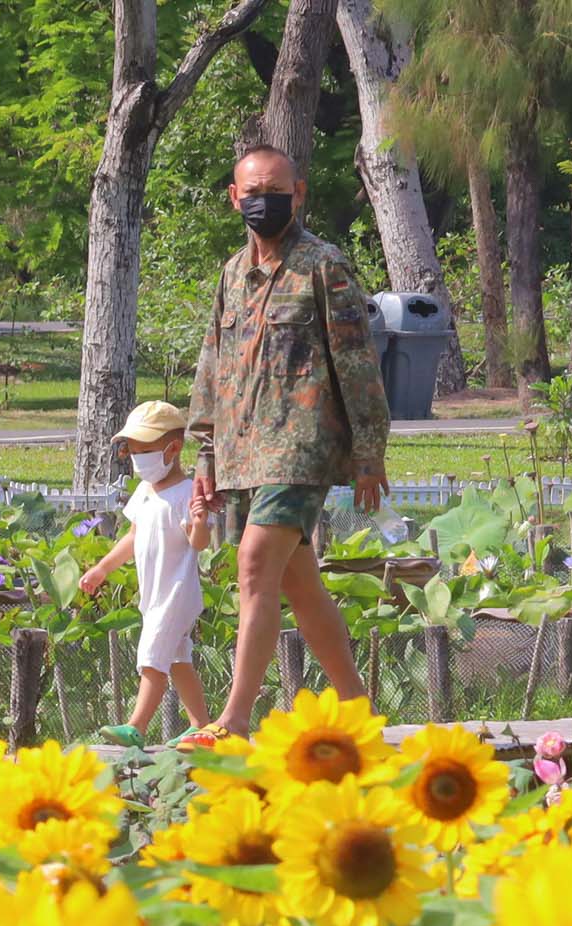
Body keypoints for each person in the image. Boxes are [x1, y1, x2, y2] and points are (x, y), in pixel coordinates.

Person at [178, 140, 391, 749]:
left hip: (303, 446)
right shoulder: (230, 274)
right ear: (234, 198)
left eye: (276, 191)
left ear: (298, 195)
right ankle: (358, 710)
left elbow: (356, 364)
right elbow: (213, 366)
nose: (263, 202)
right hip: (245, 451)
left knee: (252, 564)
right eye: (252, 193)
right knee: (297, 582)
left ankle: (233, 720)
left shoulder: (325, 265)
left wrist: (368, 452)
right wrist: (206, 453)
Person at [75, 399, 212, 738]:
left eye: (143, 450)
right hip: (155, 594)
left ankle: (136, 727)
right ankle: (201, 726)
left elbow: (198, 543)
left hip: (176, 593)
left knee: (152, 653)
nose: (136, 458)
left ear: (173, 449)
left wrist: (200, 522)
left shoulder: (184, 493)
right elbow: (132, 537)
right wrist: (102, 569)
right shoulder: (146, 492)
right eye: (132, 450)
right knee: (178, 659)